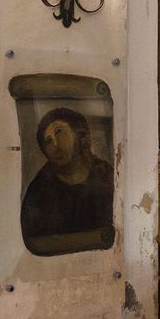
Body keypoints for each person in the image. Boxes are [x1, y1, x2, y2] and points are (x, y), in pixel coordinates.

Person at [20, 107, 114, 256]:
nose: (56, 145)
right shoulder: (39, 192)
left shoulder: (105, 174)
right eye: (48, 141)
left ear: (80, 135)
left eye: (59, 132)